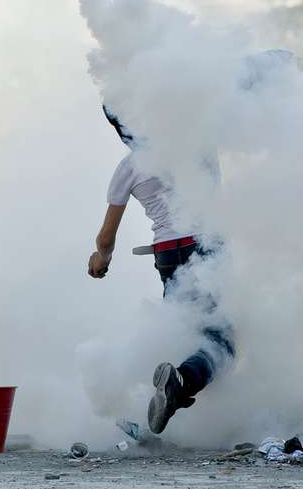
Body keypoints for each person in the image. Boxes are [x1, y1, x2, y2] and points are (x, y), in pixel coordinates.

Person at [88, 105, 234, 434]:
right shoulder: (195, 143)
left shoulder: (129, 167)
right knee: (220, 341)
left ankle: (136, 413)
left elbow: (106, 238)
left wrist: (101, 259)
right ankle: (180, 384)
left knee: (182, 330)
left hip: (167, 255)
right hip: (206, 246)